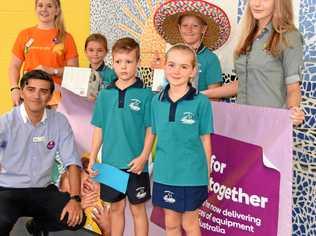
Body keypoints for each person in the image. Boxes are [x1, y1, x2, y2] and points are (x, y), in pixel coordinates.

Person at [0, 70, 85, 235]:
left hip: (42, 189)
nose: (36, 96)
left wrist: (75, 199)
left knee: (76, 219)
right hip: (8, 189)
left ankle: (37, 225)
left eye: (43, 91)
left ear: (50, 95)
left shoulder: (59, 122)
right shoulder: (5, 123)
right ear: (22, 92)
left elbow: (72, 162)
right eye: (31, 89)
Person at [88, 37, 153, 236]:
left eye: (129, 61)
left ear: (138, 63)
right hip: (110, 164)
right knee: (115, 209)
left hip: (136, 164)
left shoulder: (146, 95)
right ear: (112, 62)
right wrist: (92, 157)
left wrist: (143, 157)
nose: (123, 67)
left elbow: (151, 129)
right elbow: (99, 128)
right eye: (118, 62)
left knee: (137, 210)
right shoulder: (105, 95)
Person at [202, 0, 304, 125]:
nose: (257, 4)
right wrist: (201, 94)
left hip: (270, 124)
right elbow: (242, 83)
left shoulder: (289, 36)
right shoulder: (247, 35)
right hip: (242, 121)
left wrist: (293, 110)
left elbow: (293, 88)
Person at [151, 44, 212, 236]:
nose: (176, 71)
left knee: (190, 224)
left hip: (192, 175)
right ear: (165, 67)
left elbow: (205, 139)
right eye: (172, 65)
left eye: (184, 67)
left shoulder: (201, 102)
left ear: (193, 71)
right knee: (171, 225)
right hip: (165, 174)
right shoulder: (156, 101)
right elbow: (153, 135)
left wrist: (207, 173)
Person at [152, 0, 231, 98]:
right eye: (185, 25)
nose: (189, 29)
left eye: (195, 26)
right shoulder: (172, 54)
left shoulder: (211, 59)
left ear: (203, 29)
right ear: (179, 28)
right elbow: (161, 88)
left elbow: (215, 98)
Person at [9, 0, 79, 108]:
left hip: (55, 99)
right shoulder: (25, 34)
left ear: (57, 10)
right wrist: (14, 88)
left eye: (49, 6)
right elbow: (14, 65)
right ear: (36, 9)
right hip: (27, 97)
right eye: (40, 5)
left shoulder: (66, 38)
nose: (44, 9)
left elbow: (74, 72)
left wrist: (52, 70)